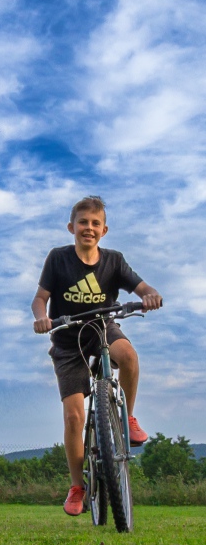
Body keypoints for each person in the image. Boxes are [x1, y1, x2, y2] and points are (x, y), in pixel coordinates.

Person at [31, 196, 162, 517]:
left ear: (104, 230)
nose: (88, 228)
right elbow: (40, 298)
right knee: (74, 416)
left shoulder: (114, 261)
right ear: (71, 227)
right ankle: (78, 486)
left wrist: (150, 295)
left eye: (95, 223)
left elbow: (141, 286)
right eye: (82, 222)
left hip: (102, 329)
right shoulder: (58, 259)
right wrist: (41, 317)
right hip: (67, 338)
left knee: (128, 356)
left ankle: (126, 418)